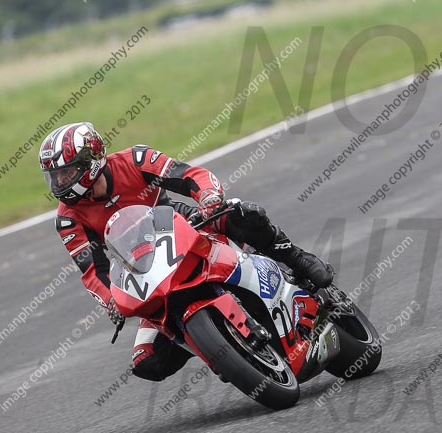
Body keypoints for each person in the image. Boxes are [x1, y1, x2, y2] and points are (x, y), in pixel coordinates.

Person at [39, 122, 333, 382]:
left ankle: (297, 259)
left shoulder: (135, 160)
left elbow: (190, 175)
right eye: (54, 176)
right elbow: (93, 271)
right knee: (147, 362)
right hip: (142, 268)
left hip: (183, 225)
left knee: (243, 214)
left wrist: (207, 196)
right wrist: (111, 301)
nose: (60, 182)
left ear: (91, 162)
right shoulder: (67, 218)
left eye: (67, 172)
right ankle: (217, 349)